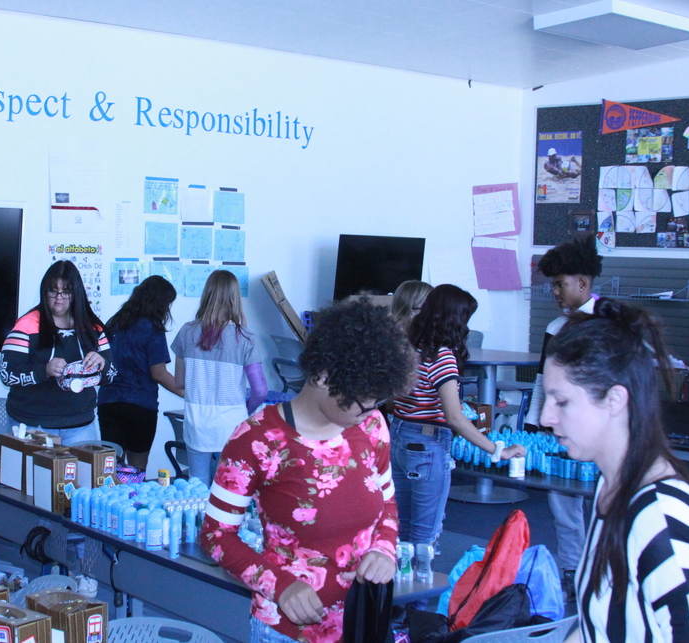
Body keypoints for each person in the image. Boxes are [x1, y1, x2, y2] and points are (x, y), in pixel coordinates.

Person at [201, 298, 415, 643]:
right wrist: (279, 585)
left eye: (377, 404)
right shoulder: (257, 439)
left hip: (360, 622)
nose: (370, 413)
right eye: (362, 404)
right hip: (286, 630)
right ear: (324, 376)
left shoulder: (372, 427)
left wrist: (384, 548)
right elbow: (215, 535)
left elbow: (387, 503)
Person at [541, 299, 689, 643]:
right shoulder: (614, 487)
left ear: (615, 400)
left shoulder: (662, 520)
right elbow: (598, 626)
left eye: (561, 401)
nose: (547, 417)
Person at [391, 284, 524, 547]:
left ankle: (398, 585)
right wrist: (498, 450)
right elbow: (454, 417)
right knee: (425, 535)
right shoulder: (441, 356)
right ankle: (420, 584)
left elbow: (393, 399)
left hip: (399, 438)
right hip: (428, 445)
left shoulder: (407, 348)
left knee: (401, 529)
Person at [523, 237, 600, 598]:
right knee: (564, 504)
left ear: (582, 284)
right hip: (560, 433)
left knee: (607, 504)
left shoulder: (607, 322)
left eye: (560, 284)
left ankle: (608, 572)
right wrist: (535, 422)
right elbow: (542, 379)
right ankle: (573, 570)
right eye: (552, 284)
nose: (554, 291)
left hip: (602, 433)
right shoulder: (554, 328)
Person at [0, 261, 114, 445]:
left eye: (66, 292)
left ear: (76, 293)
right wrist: (43, 370)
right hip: (33, 425)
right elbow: (7, 375)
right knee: (35, 475)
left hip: (81, 424)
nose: (59, 298)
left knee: (81, 474)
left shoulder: (92, 327)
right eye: (53, 291)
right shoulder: (27, 325)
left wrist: (102, 363)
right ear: (45, 292)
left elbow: (112, 375)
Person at [171, 270, 266, 485]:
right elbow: (260, 390)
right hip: (232, 423)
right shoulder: (246, 338)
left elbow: (179, 382)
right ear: (235, 298)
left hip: (197, 420)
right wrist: (245, 410)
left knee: (197, 486)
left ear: (207, 294)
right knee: (230, 487)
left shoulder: (187, 332)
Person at [98, 275, 184, 471]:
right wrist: (187, 394)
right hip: (140, 406)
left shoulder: (114, 323)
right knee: (137, 468)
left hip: (108, 403)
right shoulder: (152, 327)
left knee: (111, 467)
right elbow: (159, 374)